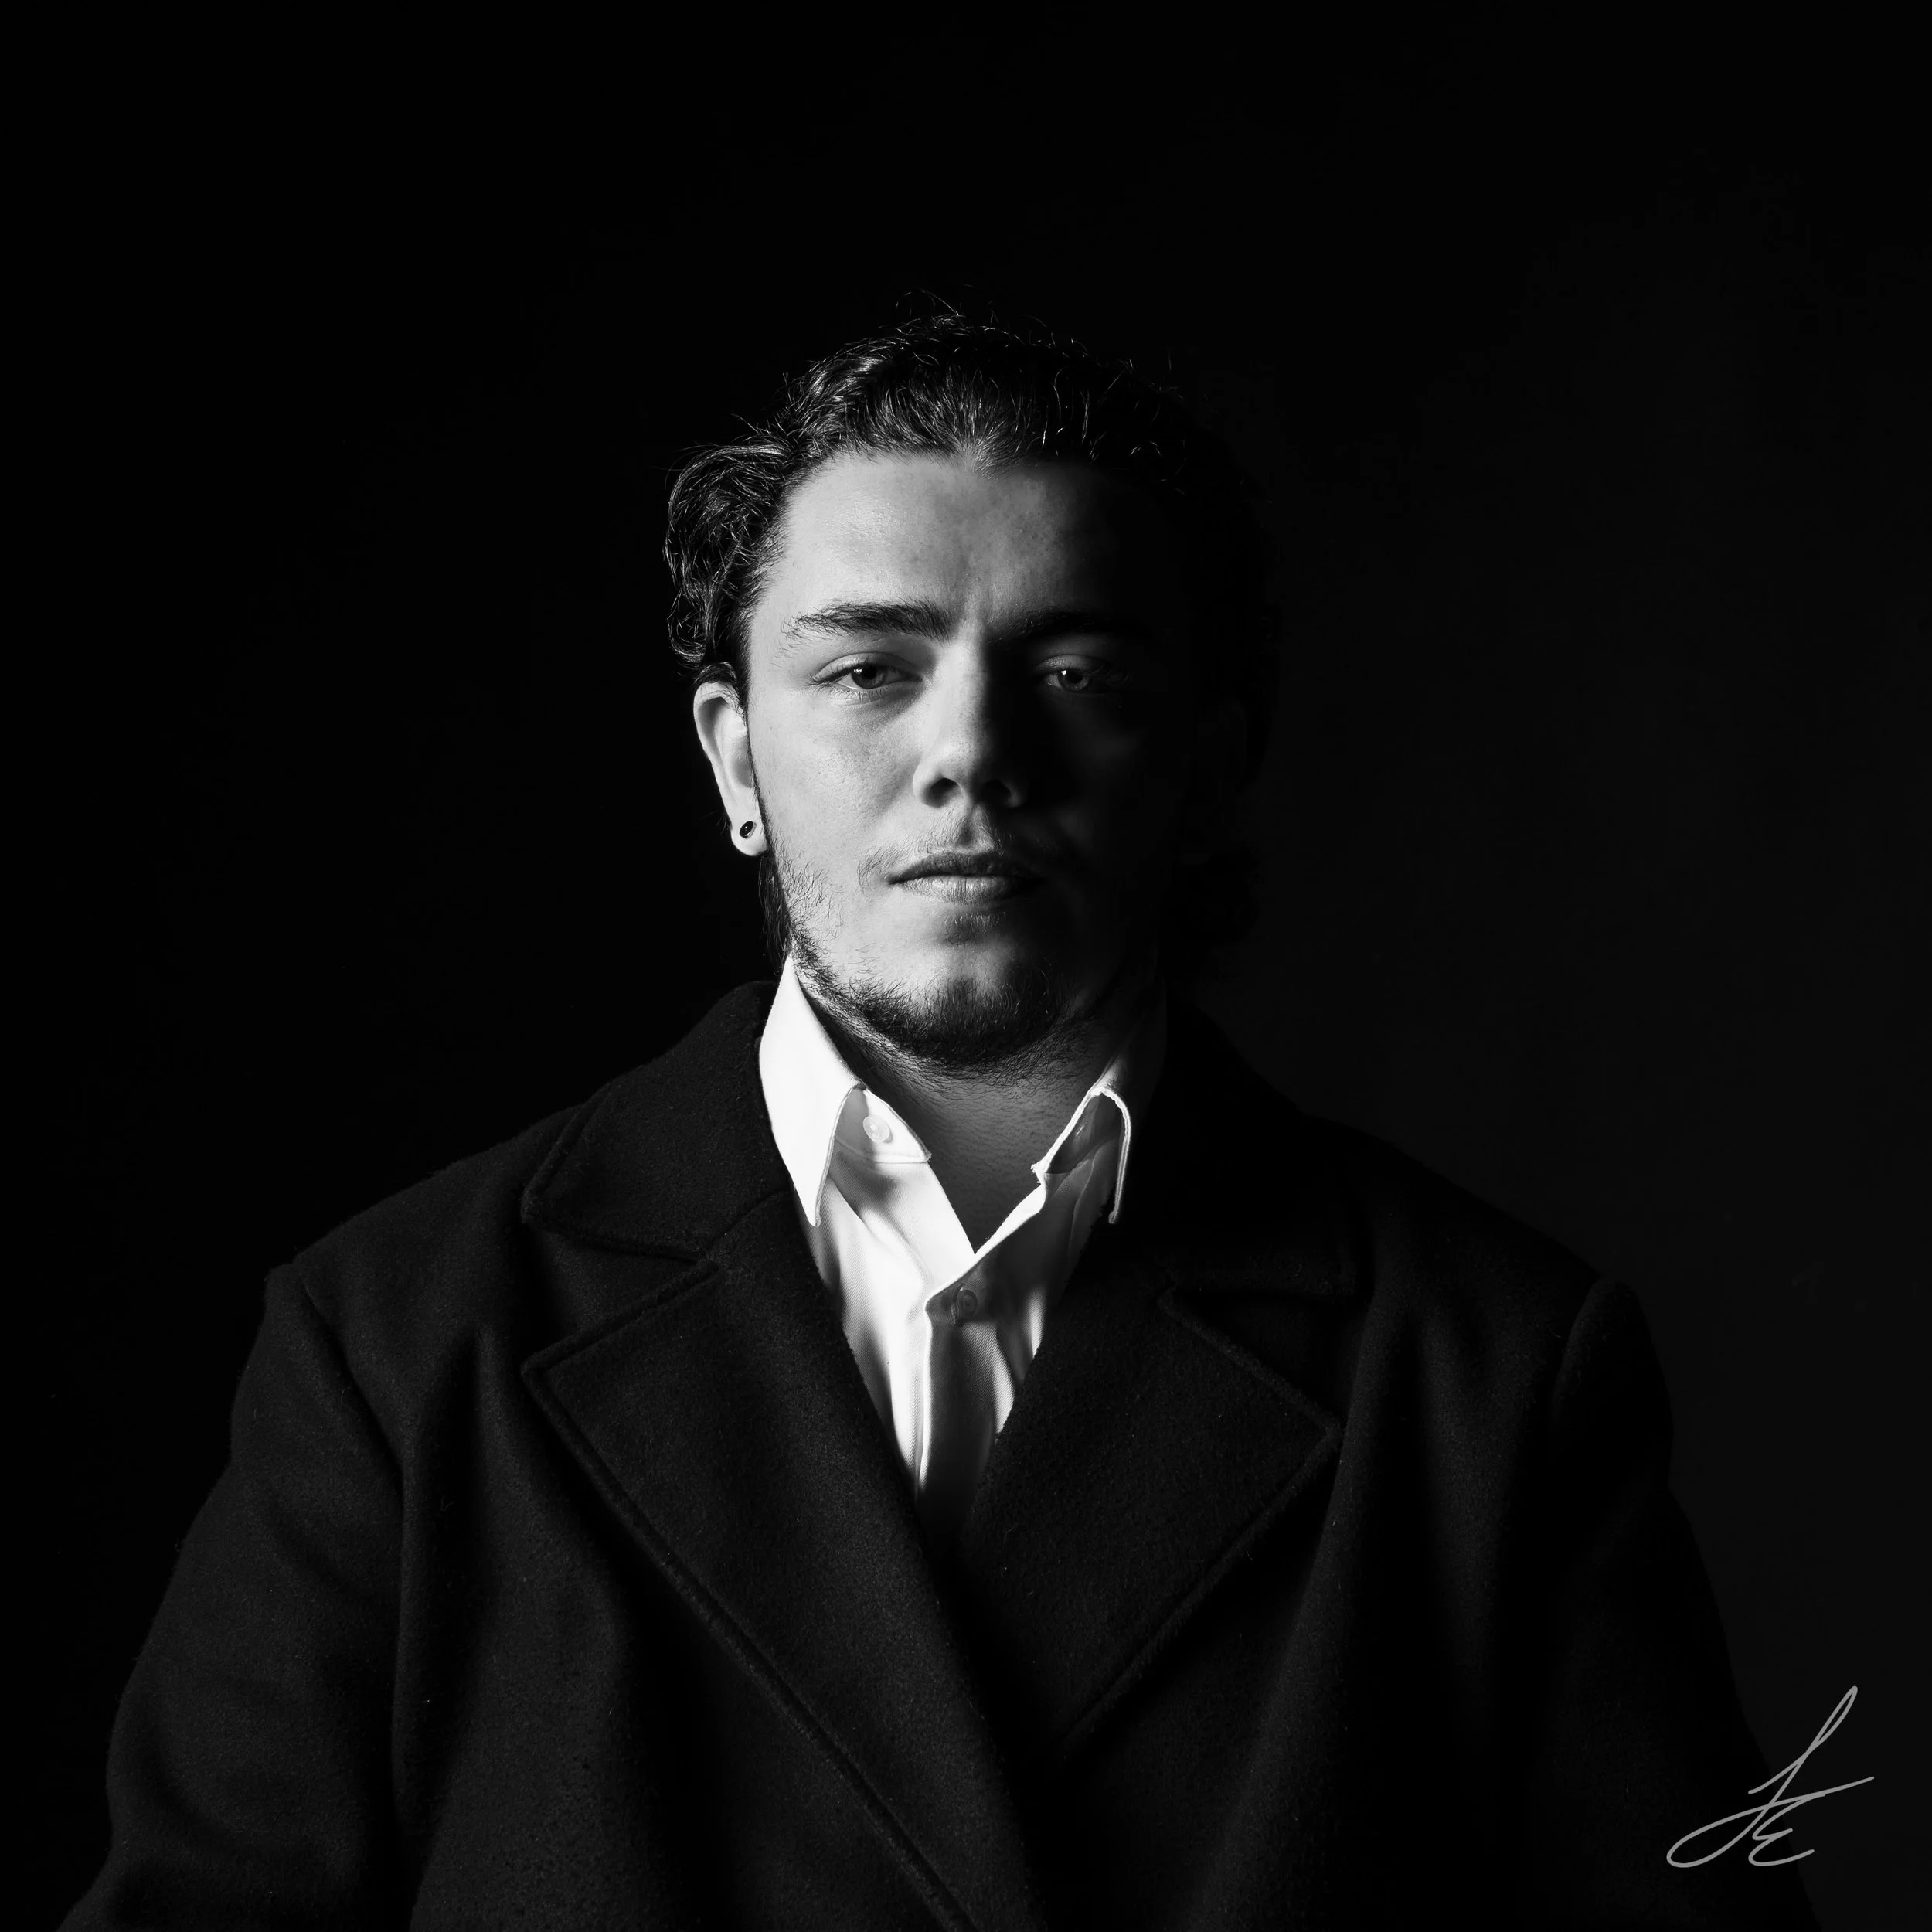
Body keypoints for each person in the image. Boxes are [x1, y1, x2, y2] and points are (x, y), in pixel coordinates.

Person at [68, 316, 1815, 1929]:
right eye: (866, 670)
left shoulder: (1502, 1377)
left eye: (1076, 672)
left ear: (1207, 770)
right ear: (734, 761)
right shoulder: (392, 1346)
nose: (972, 750)